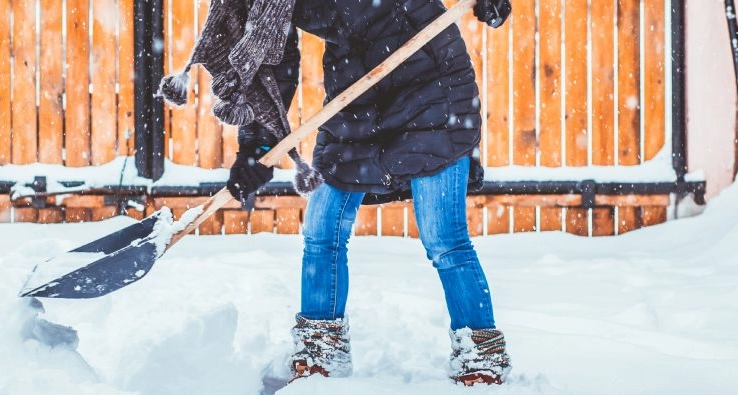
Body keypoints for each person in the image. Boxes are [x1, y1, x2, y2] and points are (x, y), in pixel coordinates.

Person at [172, 0, 514, 386]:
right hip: (355, 93)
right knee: (321, 229)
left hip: (431, 83)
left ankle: (481, 354)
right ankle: (320, 348)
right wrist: (256, 147)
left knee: (444, 239)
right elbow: (270, 61)